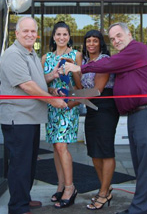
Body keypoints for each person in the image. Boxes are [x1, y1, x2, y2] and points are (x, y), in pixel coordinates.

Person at [64, 22, 147, 214]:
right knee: (142, 161)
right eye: (113, 38)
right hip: (135, 113)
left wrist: (79, 68)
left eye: (119, 36)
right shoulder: (125, 55)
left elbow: (108, 64)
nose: (116, 40)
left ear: (129, 35)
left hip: (146, 112)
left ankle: (138, 208)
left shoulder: (137, 49)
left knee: (144, 162)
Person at [0, 17, 67, 214]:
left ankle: (24, 198)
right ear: (17, 34)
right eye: (25, 31)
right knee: (20, 165)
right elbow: (27, 86)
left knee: (28, 163)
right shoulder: (13, 54)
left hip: (30, 118)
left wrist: (51, 78)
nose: (29, 34)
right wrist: (52, 100)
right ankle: (18, 207)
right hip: (18, 119)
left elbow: (35, 81)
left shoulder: (30, 53)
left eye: (33, 31)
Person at [41, 21, 82, 208]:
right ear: (53, 36)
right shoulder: (46, 58)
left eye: (65, 34)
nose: (61, 38)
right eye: (58, 34)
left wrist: (73, 69)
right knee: (56, 148)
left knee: (61, 146)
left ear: (69, 36)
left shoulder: (76, 55)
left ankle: (70, 187)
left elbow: (81, 86)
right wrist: (52, 86)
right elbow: (40, 85)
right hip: (51, 106)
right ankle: (60, 185)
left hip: (67, 106)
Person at [80, 30, 119, 210]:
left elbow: (97, 90)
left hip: (105, 107)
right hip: (91, 108)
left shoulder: (104, 60)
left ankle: (103, 193)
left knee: (105, 150)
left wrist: (70, 100)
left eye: (95, 41)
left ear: (101, 43)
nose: (91, 44)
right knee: (94, 153)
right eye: (88, 41)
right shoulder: (85, 63)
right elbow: (81, 87)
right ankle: (106, 187)